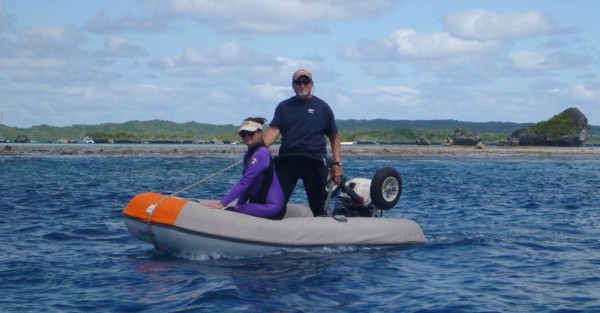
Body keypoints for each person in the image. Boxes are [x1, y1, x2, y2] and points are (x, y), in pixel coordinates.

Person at [264, 69, 343, 217]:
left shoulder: (323, 107)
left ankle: (322, 234)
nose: (302, 85)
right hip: (288, 160)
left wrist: (337, 164)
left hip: (314, 161)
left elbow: (334, 136)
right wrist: (258, 150)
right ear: (293, 85)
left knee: (318, 207)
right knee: (277, 206)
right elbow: (274, 131)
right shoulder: (284, 107)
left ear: (312, 84)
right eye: (298, 82)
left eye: (306, 82)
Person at [202, 117, 285, 219]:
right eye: (243, 133)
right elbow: (248, 187)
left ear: (259, 133)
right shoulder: (248, 154)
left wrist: (222, 204)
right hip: (259, 205)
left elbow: (245, 182)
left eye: (250, 133)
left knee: (228, 211)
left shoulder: (261, 154)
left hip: (271, 208)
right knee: (233, 210)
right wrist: (239, 205)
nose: (246, 136)